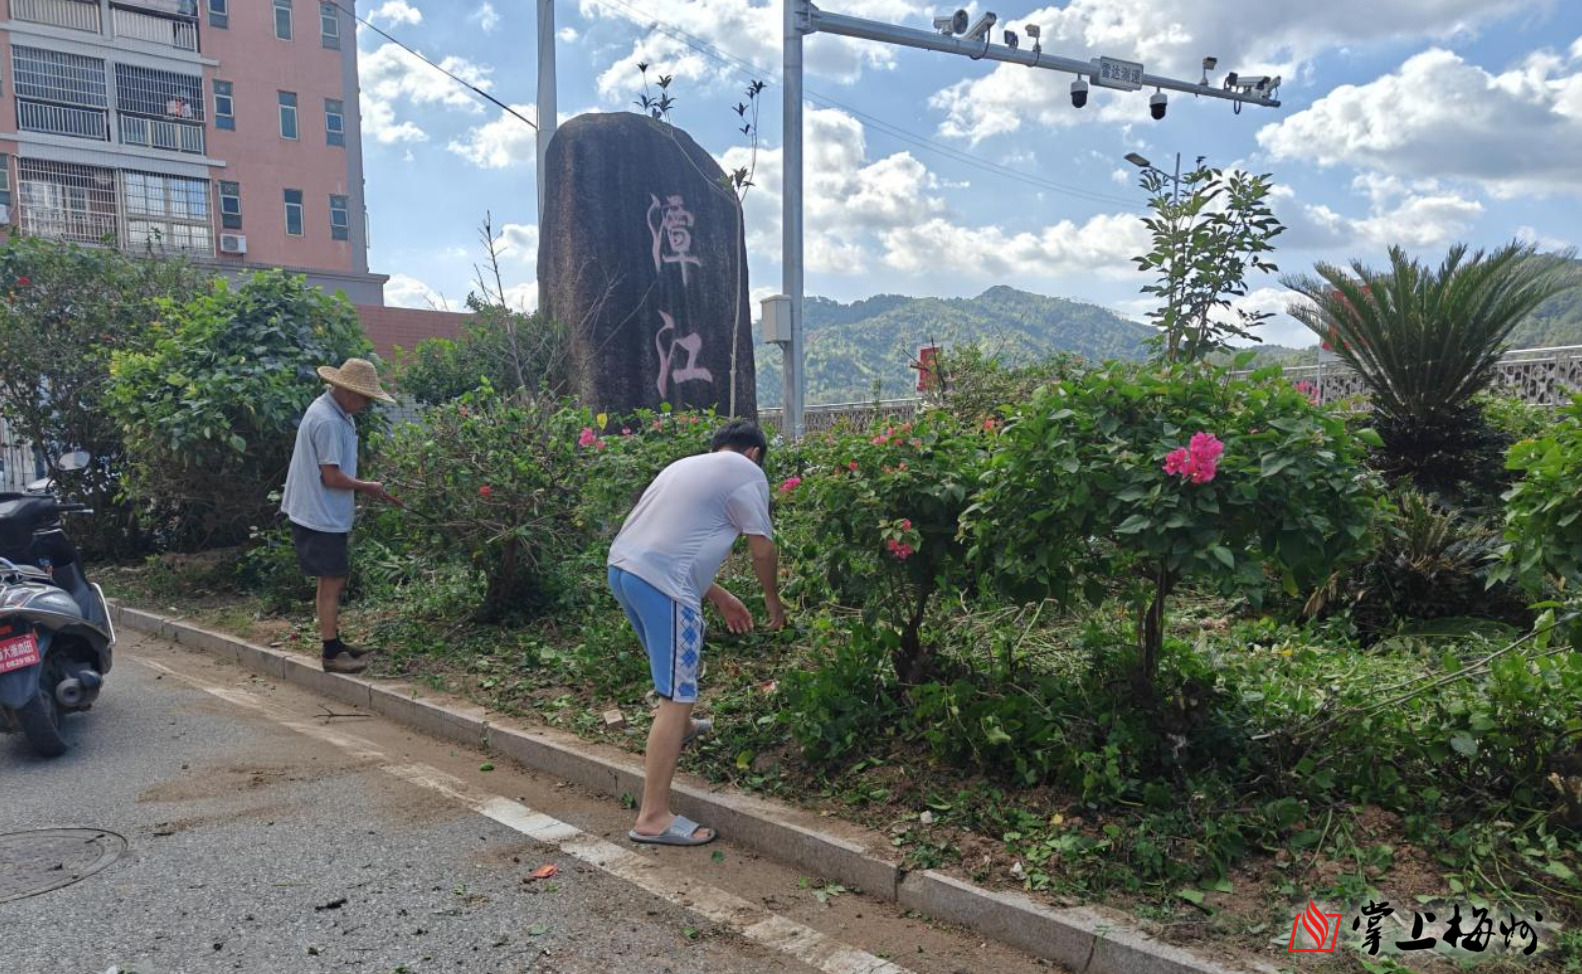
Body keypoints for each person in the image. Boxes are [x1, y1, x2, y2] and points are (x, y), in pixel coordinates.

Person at [607, 419, 786, 846]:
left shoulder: (684, 466)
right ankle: (652, 817)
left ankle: (683, 729)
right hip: (664, 585)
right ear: (754, 453)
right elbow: (762, 549)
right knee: (678, 695)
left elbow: (674, 541)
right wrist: (772, 600)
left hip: (623, 570)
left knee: (672, 678)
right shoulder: (748, 472)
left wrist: (719, 596)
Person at [280, 357, 398, 674]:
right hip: (319, 513)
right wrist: (366, 487)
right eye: (363, 398)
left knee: (331, 579)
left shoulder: (336, 412)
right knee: (333, 580)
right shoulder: (328, 421)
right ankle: (331, 652)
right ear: (346, 390)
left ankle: (334, 642)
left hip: (322, 510)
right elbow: (331, 477)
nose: (365, 405)